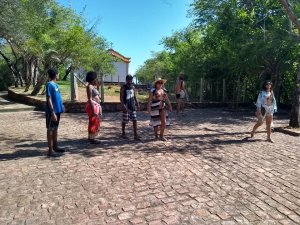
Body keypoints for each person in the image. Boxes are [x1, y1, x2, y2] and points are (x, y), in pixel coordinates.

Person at [45, 68, 65, 157]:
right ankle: (50, 150)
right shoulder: (49, 84)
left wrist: (62, 106)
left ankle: (55, 147)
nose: (58, 75)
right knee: (50, 129)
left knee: (55, 128)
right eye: (58, 74)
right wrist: (52, 112)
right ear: (55, 74)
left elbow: (58, 97)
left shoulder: (56, 85)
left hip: (58, 110)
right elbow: (49, 99)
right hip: (52, 111)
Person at [120, 74, 141, 140]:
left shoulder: (133, 87)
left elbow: (135, 96)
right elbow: (121, 98)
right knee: (125, 120)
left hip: (132, 106)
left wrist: (137, 103)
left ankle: (135, 134)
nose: (130, 81)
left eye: (131, 79)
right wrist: (123, 105)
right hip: (126, 106)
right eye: (128, 79)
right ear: (126, 80)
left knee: (135, 120)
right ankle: (123, 133)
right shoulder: (123, 87)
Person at [85, 71, 102, 144]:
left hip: (96, 106)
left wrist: (98, 86)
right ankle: (91, 139)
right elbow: (90, 99)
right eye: (95, 78)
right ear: (92, 78)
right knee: (93, 122)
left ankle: (92, 137)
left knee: (95, 122)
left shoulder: (93, 86)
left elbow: (98, 95)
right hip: (92, 106)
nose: (96, 80)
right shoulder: (89, 86)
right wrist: (93, 110)